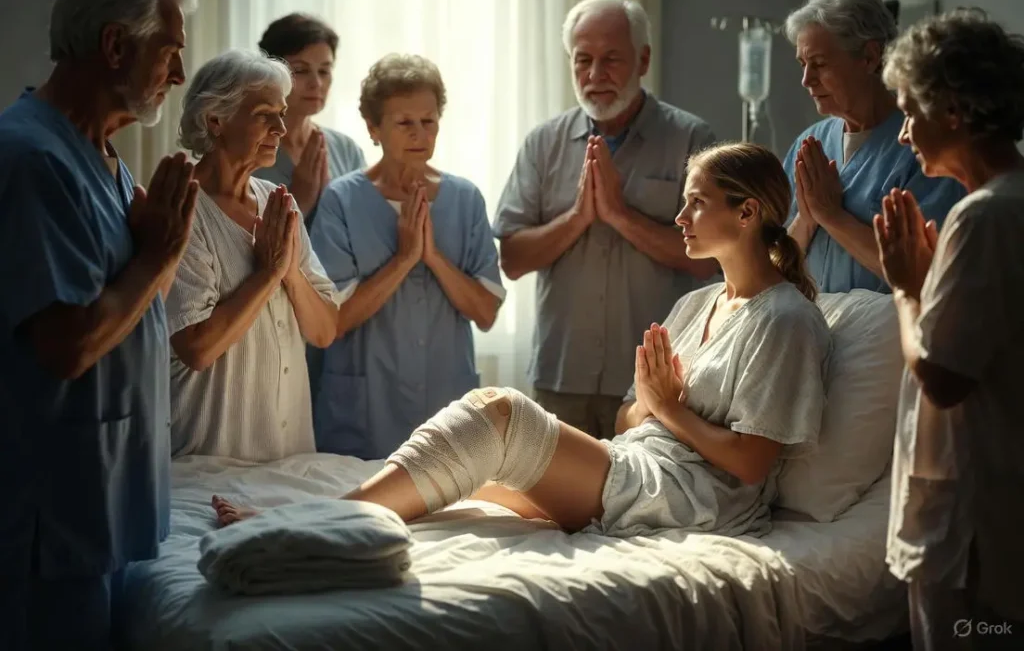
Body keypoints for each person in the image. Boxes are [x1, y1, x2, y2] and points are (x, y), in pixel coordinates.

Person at [214, 143, 832, 551]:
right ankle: (329, 509)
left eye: (696, 203)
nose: (681, 217)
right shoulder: (697, 304)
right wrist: (652, 404)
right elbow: (627, 418)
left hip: (694, 499)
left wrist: (668, 407)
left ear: (747, 212)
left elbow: (752, 465)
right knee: (453, 465)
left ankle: (311, 524)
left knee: (500, 414)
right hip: (637, 458)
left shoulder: (785, 320)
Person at [0, 0, 198, 651]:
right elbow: (68, 345)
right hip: (52, 520)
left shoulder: (106, 160)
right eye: (168, 52)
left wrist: (161, 251)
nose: (178, 74)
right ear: (116, 45)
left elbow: (138, 308)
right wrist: (158, 254)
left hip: (105, 504)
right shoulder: (34, 159)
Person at [493, 0, 719, 440]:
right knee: (551, 489)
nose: (595, 75)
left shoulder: (691, 139)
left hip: (658, 381)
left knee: (646, 487)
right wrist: (578, 218)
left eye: (612, 59)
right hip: (561, 376)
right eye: (583, 60)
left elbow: (709, 260)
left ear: (643, 60)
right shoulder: (543, 144)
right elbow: (512, 260)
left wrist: (620, 215)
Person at [874, 9, 1024, 649]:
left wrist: (907, 288)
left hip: (971, 531)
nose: (905, 132)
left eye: (911, 112)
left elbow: (942, 376)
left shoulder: (984, 216)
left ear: (955, 110)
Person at [310, 53, 504, 460]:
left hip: (446, 411)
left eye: (429, 121)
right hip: (363, 416)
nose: (420, 134)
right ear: (373, 128)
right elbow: (334, 321)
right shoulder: (341, 201)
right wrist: (402, 260)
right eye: (404, 123)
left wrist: (431, 256)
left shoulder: (465, 199)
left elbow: (486, 312)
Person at [168, 49, 340, 462]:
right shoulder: (180, 208)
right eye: (265, 115)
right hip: (208, 463)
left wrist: (291, 275)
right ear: (216, 120)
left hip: (289, 458)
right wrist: (268, 274)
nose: (281, 128)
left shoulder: (279, 203)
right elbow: (197, 348)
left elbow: (324, 331)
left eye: (282, 114)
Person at [782, 0, 964, 293]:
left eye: (819, 64)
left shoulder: (922, 147)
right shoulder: (809, 144)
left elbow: (929, 275)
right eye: (803, 64)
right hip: (811, 320)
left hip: (888, 323)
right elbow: (771, 265)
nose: (806, 80)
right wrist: (806, 220)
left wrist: (833, 216)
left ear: (869, 56)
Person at [255, 13, 366, 228]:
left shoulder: (346, 150)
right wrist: (300, 200)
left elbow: (363, 230)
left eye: (324, 71)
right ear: (270, 72)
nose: (316, 83)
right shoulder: (250, 151)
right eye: (301, 70)